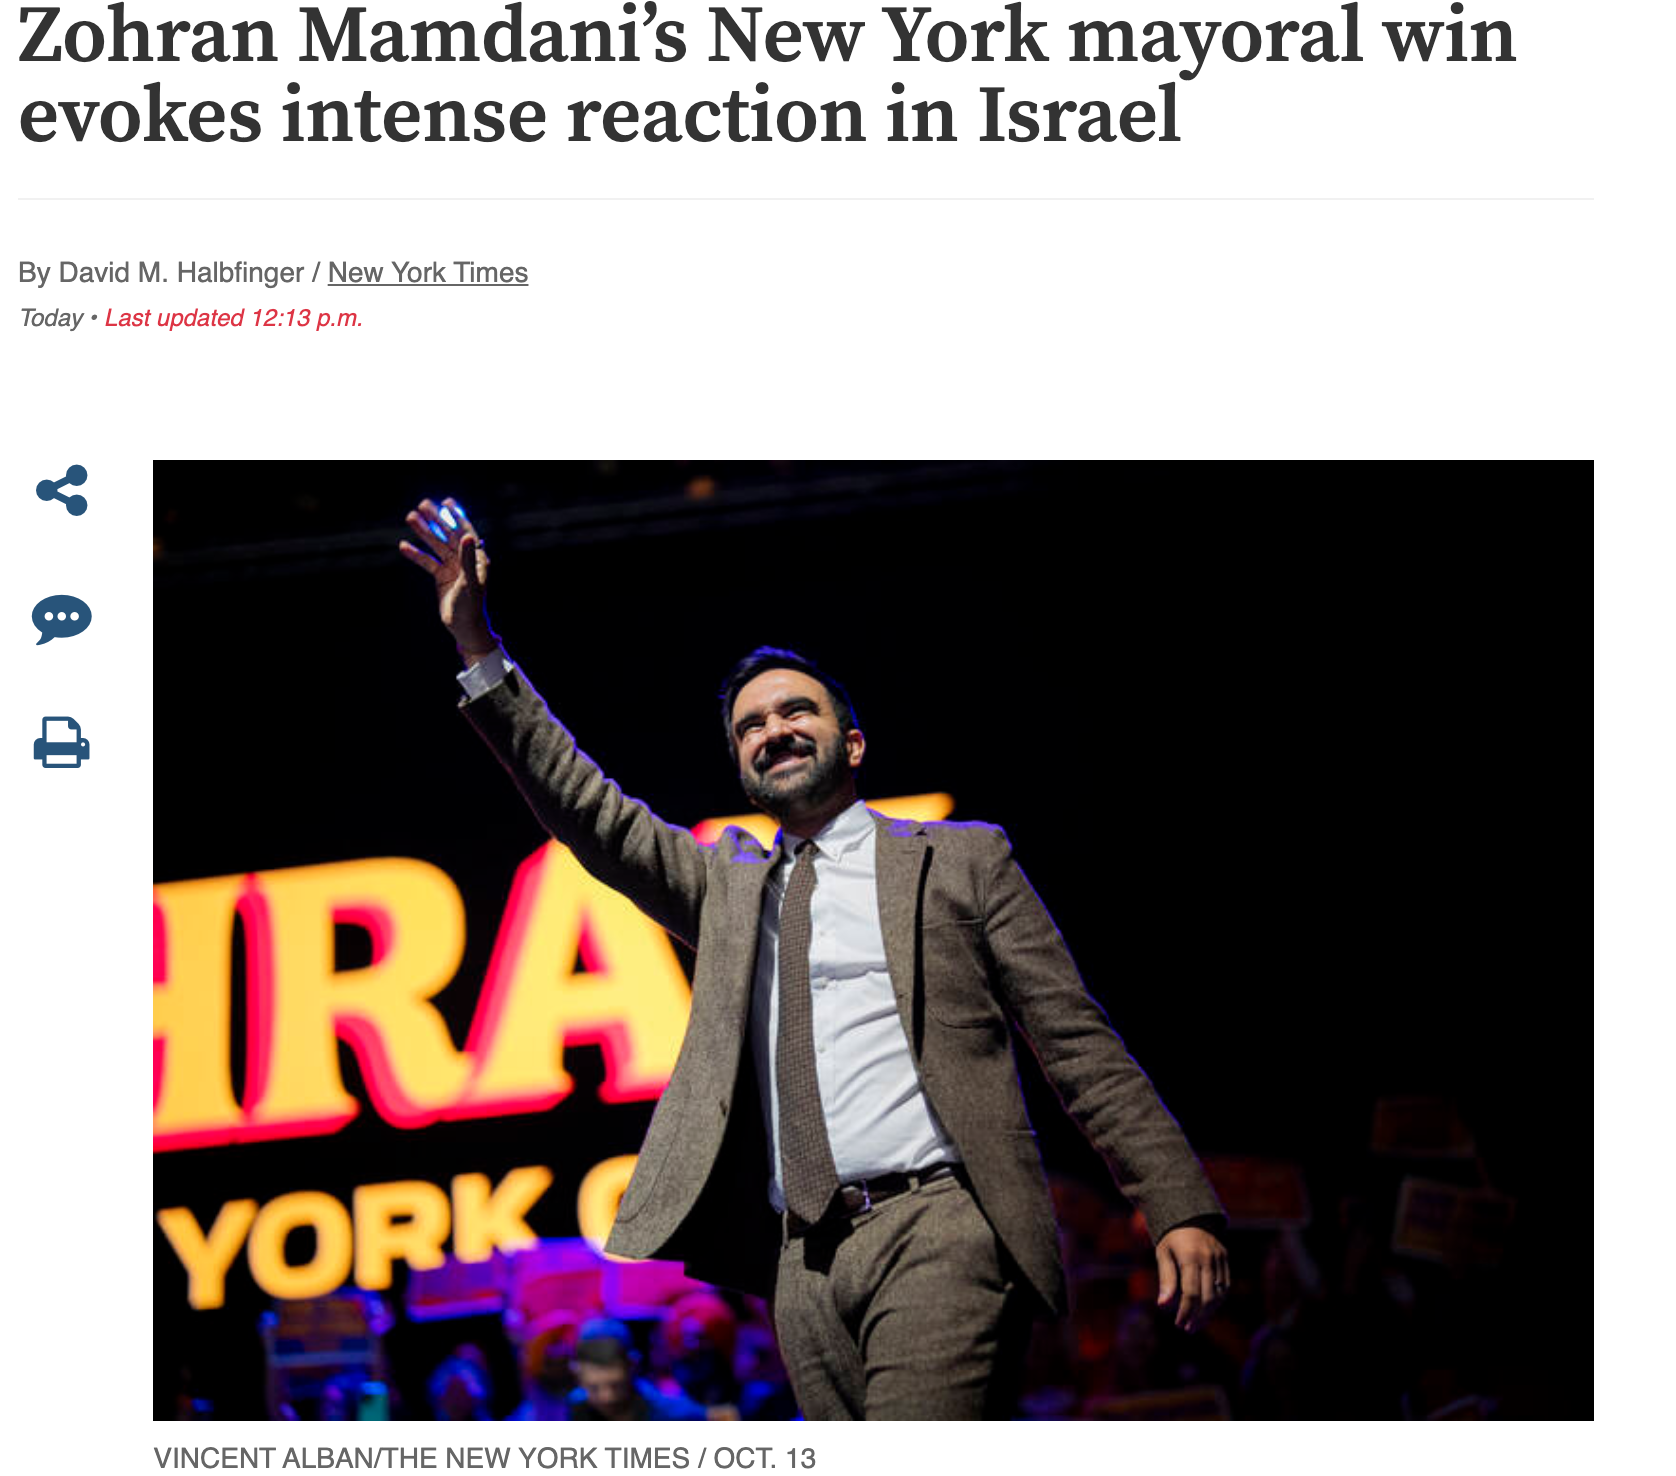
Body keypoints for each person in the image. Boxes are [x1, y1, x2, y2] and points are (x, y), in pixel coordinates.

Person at [400, 497, 1232, 1420]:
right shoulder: (730, 889)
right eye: (752, 726)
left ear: (853, 741)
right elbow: (586, 809)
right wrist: (478, 644)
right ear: (743, 765)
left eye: (797, 710)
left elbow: (1076, 1041)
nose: (775, 729)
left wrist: (1176, 1201)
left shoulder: (960, 859)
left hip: (941, 1226)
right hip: (800, 1265)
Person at [565, 1319, 706, 1421]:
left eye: (616, 1385)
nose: (607, 1397)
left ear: (633, 1366)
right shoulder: (569, 1413)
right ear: (577, 1375)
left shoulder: (676, 1417)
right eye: (594, 1388)